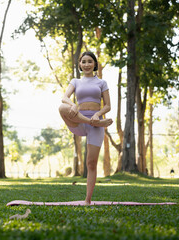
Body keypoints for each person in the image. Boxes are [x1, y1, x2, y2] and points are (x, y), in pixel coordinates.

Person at [58, 51, 113, 205]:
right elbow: (64, 98)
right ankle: (90, 121)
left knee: (91, 163)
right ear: (80, 65)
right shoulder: (76, 81)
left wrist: (99, 114)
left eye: (90, 61)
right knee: (62, 108)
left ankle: (87, 200)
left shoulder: (102, 83)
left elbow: (108, 106)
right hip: (81, 121)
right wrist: (73, 104)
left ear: (95, 64)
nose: (87, 64)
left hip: (97, 123)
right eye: (84, 62)